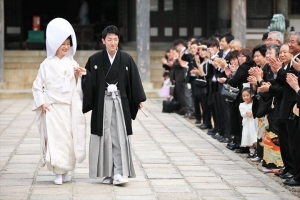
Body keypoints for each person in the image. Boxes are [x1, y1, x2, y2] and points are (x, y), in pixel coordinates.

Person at [79, 25, 146, 185]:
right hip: (102, 103)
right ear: (103, 41)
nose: (113, 42)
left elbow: (134, 81)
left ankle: (118, 172)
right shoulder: (94, 59)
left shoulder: (126, 59)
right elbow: (89, 83)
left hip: (120, 102)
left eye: (116, 39)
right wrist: (84, 76)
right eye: (109, 39)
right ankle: (106, 173)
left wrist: (137, 100)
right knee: (104, 137)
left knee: (118, 136)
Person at [32, 18, 86, 185]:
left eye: (68, 43)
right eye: (62, 43)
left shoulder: (72, 63)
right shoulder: (46, 64)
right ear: (55, 43)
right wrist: (42, 103)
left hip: (68, 106)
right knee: (55, 139)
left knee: (69, 139)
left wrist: (78, 75)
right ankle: (57, 171)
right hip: (53, 107)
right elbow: (37, 86)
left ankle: (67, 169)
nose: (65, 46)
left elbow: (76, 87)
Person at [239, 87, 257, 158]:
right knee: (248, 135)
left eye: (247, 95)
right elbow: (242, 114)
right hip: (247, 124)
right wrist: (246, 112)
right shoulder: (242, 105)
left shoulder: (254, 104)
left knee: (255, 135)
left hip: (254, 123)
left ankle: (258, 151)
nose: (245, 97)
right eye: (244, 96)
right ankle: (251, 151)